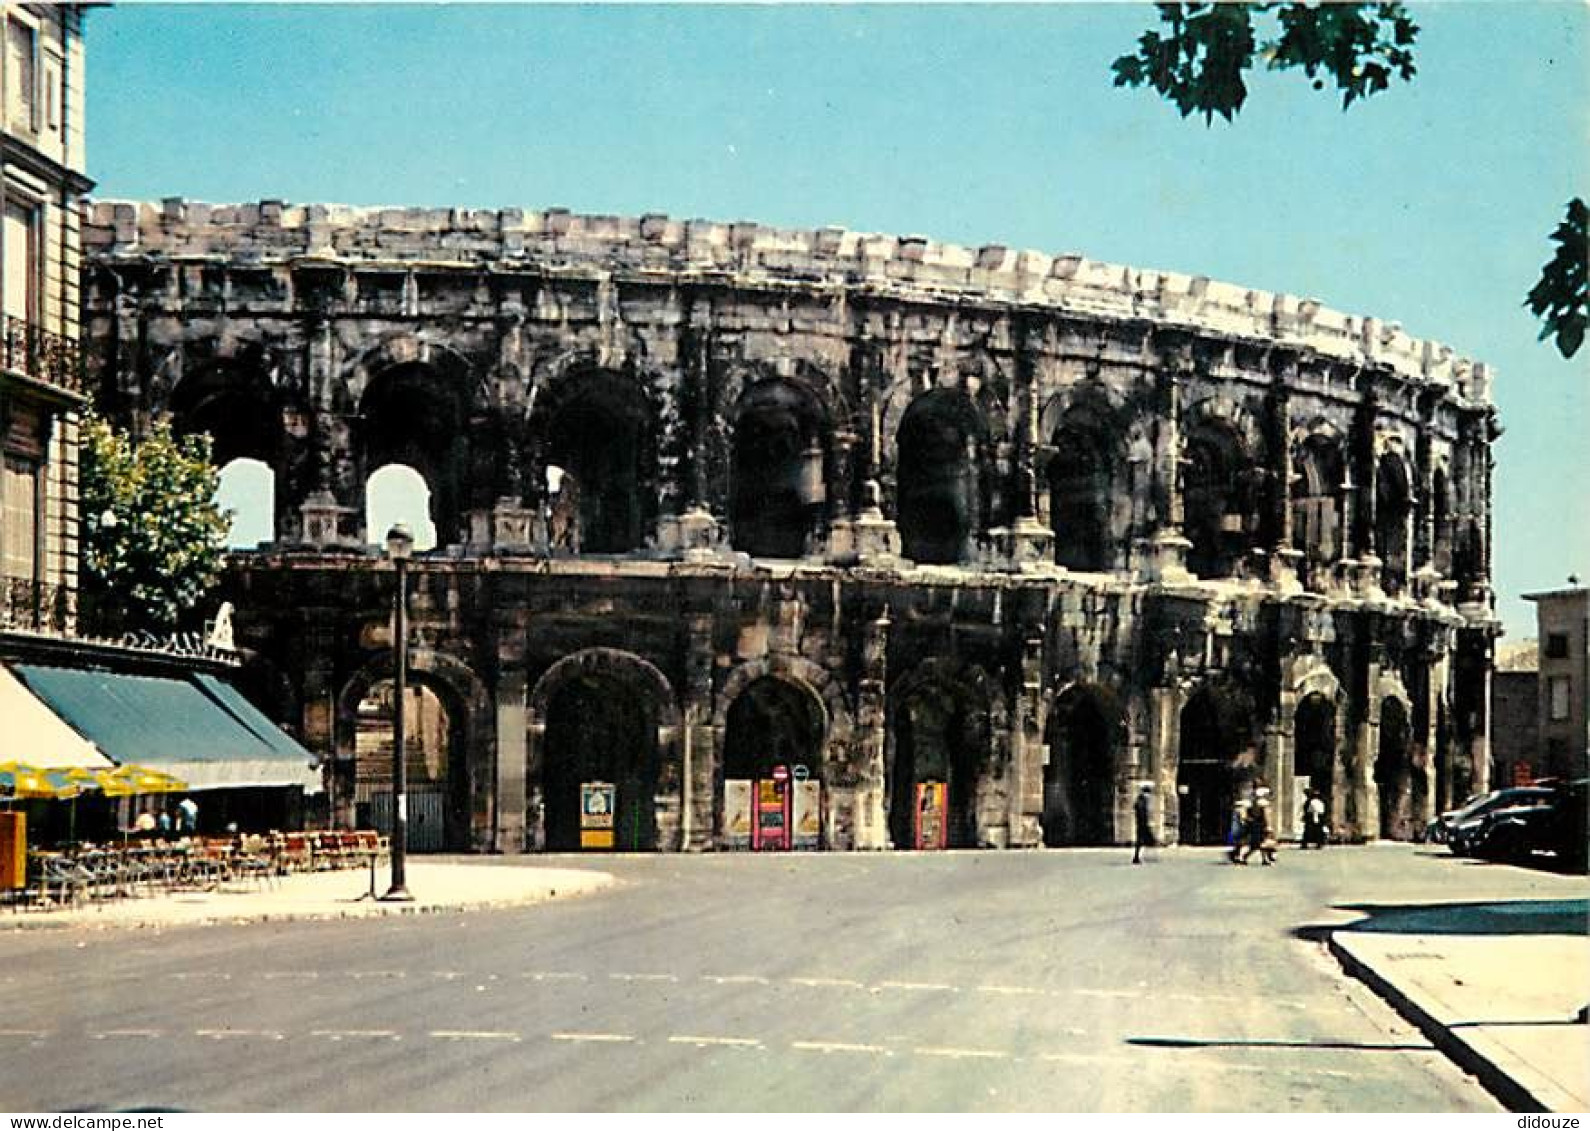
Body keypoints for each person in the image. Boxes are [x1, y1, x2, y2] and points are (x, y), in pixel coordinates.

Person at [1132, 784, 1153, 864]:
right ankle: (1137, 857)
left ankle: (1137, 857)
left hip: (1142, 824)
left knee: (1140, 841)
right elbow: (1141, 813)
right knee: (1140, 841)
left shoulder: (1141, 800)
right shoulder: (1141, 801)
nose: (1149, 796)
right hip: (1142, 824)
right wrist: (1145, 823)